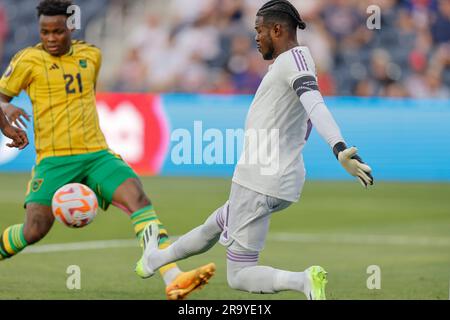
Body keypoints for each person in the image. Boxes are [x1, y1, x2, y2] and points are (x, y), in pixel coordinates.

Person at [136, 0, 374, 300]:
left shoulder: (293, 62)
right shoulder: (295, 61)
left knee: (239, 275)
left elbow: (315, 104)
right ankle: (155, 259)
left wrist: (338, 148)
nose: (256, 37)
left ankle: (303, 281)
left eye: (259, 31)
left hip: (260, 179)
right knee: (215, 224)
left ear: (277, 29)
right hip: (271, 179)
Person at [0, 0, 215, 300]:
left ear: (70, 28)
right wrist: (7, 118)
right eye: (45, 32)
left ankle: (174, 278)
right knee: (34, 230)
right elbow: (1, 97)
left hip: (95, 153)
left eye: (58, 31)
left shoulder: (92, 55)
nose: (50, 38)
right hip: (54, 159)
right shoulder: (26, 61)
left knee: (138, 198)